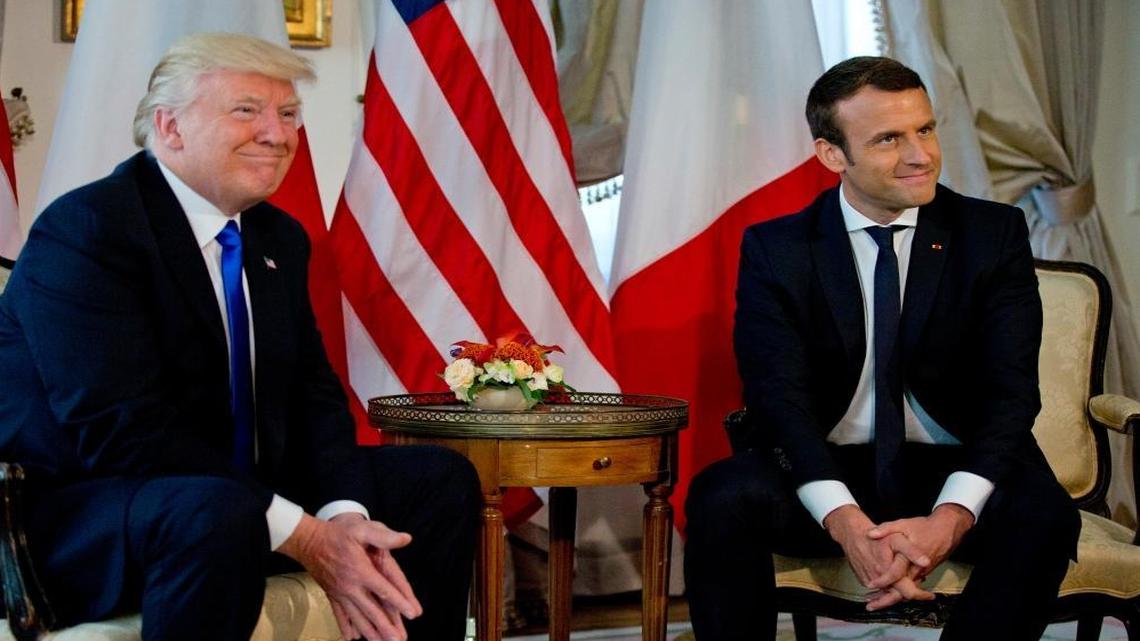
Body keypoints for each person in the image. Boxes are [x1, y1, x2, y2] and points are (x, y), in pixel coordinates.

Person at [0, 33, 480, 641]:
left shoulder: (277, 238)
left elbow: (314, 399)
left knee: (437, 479)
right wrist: (306, 536)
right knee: (216, 510)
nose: (278, 136)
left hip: (231, 499)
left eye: (287, 115)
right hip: (92, 514)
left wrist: (344, 519)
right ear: (170, 127)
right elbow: (122, 432)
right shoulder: (88, 231)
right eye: (246, 111)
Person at [684, 56, 1080, 640]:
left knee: (1042, 514)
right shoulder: (778, 248)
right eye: (889, 139)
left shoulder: (991, 234)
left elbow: (1011, 392)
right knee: (720, 496)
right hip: (830, 464)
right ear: (831, 155)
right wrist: (844, 521)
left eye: (924, 129)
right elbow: (778, 397)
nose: (920, 154)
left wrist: (950, 517)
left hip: (954, 461)